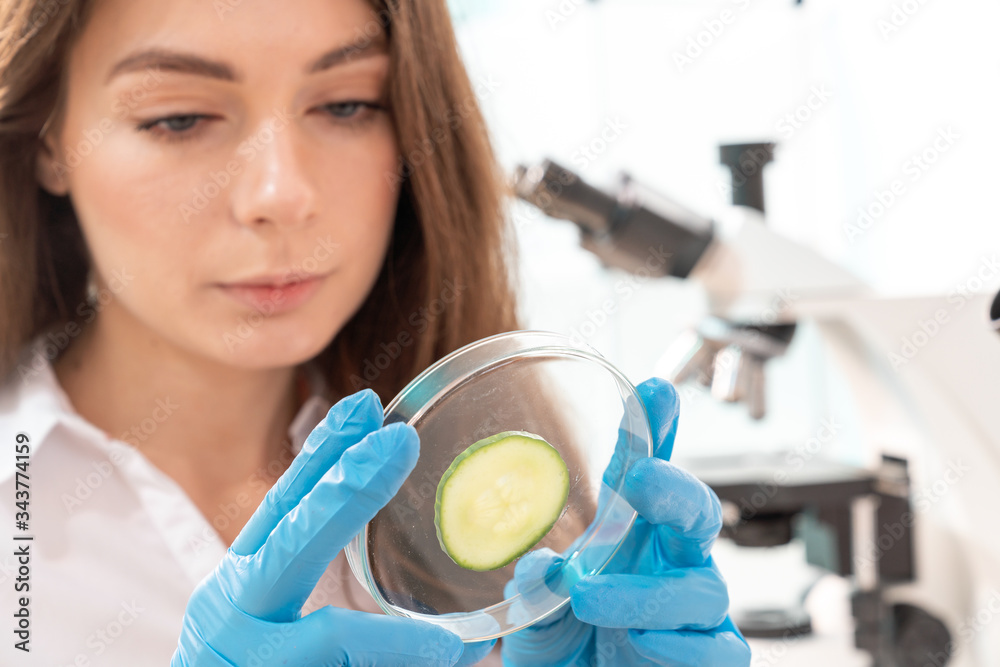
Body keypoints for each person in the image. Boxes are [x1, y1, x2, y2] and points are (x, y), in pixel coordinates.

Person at [0, 0, 752, 664]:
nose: (283, 194)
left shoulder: (506, 504)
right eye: (178, 117)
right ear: (48, 141)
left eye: (348, 105)